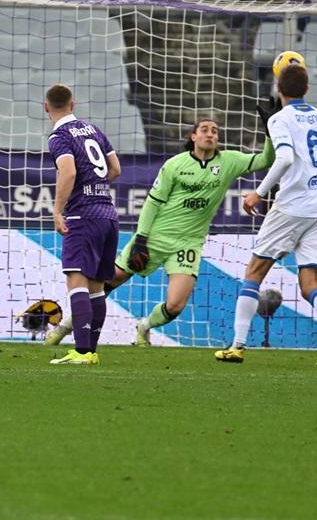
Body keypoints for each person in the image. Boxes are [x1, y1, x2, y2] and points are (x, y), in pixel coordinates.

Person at [46, 118, 276, 347]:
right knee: (107, 282)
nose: (210, 134)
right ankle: (66, 326)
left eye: (215, 131)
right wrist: (141, 240)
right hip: (155, 237)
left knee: (175, 306)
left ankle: (144, 325)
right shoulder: (175, 164)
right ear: (193, 137)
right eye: (204, 130)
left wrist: (269, 131)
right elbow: (152, 203)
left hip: (189, 244)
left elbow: (267, 159)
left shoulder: (230, 161)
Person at [215, 65, 317, 365]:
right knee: (310, 282)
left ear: (278, 89)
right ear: (307, 89)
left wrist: (258, 192)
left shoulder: (280, 119)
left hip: (291, 207)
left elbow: (283, 157)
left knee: (254, 273)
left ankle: (237, 345)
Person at [45, 84, 121, 365]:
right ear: (72, 104)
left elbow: (68, 171)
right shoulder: (93, 130)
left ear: (46, 107)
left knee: (76, 279)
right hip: (108, 216)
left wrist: (57, 210)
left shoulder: (59, 136)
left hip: (83, 216)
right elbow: (116, 170)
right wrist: (96, 188)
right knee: (97, 287)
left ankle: (81, 350)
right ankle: (90, 353)